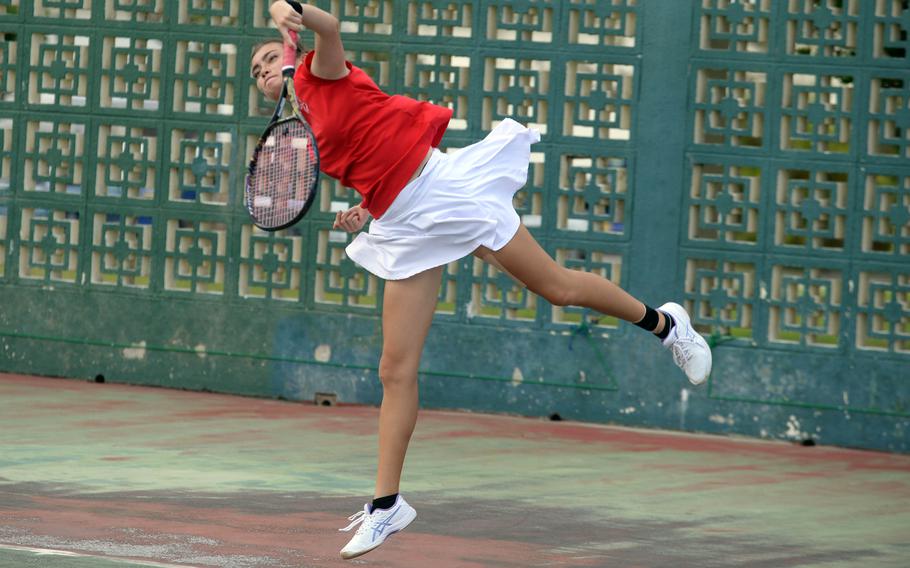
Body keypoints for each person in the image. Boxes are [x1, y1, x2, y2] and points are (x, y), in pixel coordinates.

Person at [251, 1, 712, 560]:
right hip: (401, 221)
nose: (263, 69)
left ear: (292, 54)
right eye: (255, 70)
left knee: (557, 288)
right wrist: (363, 211)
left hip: (445, 192)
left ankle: (666, 325)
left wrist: (293, 9)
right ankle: (386, 505)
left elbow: (331, 27)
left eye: (269, 56)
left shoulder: (321, 75)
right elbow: (377, 160)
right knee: (394, 369)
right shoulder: (303, 132)